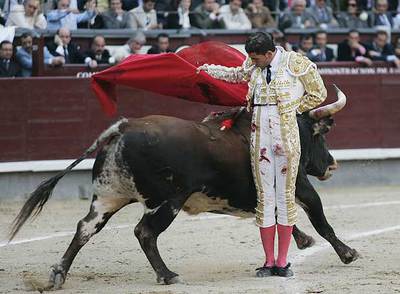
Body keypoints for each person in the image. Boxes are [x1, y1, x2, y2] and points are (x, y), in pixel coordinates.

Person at [197, 32, 326, 277]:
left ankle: (283, 261)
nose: (252, 62)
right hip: (260, 139)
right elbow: (236, 74)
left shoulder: (297, 64)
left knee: (285, 198)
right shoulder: (253, 65)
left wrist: (291, 108)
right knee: (265, 198)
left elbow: (318, 94)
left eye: (256, 58)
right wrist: (207, 70)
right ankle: (268, 262)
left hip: (286, 138)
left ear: (269, 53)